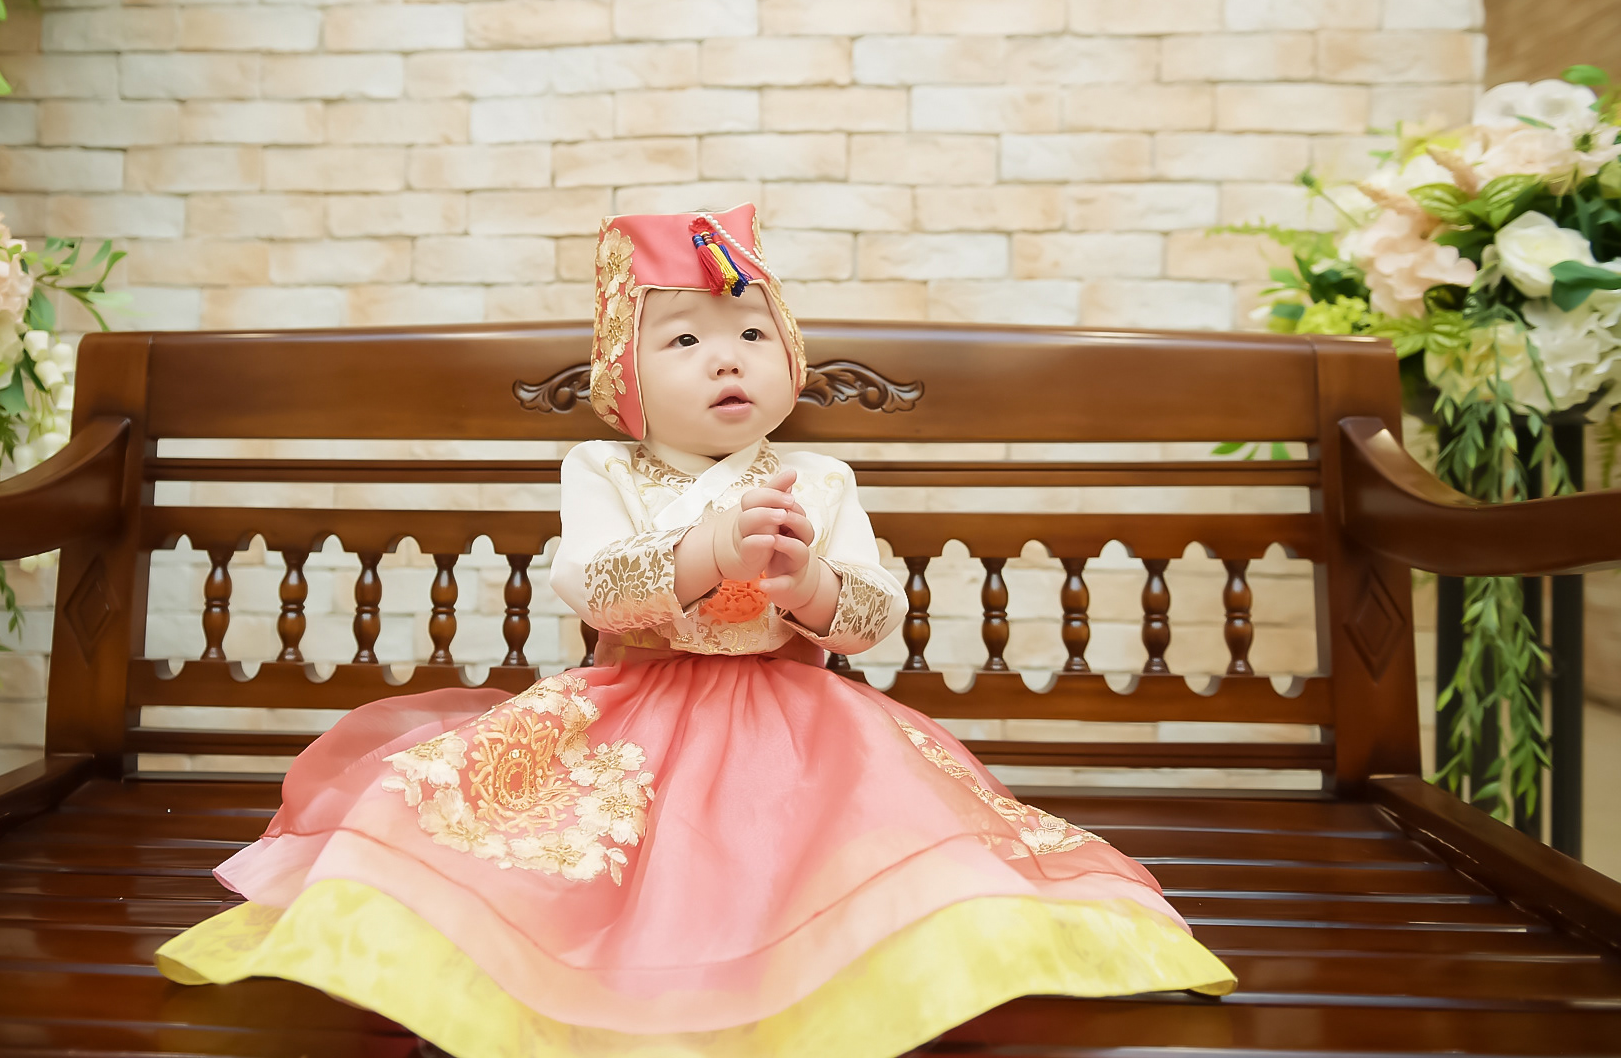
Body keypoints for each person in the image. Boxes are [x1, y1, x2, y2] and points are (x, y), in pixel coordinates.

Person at [156, 205, 1235, 1057]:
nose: (729, 361)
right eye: (686, 339)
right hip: (630, 714)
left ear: (789, 360)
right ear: (625, 381)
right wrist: (705, 553)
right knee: (503, 850)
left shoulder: (819, 476)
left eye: (753, 335)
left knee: (887, 864)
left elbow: (871, 617)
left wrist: (806, 579)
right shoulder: (602, 469)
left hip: (799, 723)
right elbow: (593, 588)